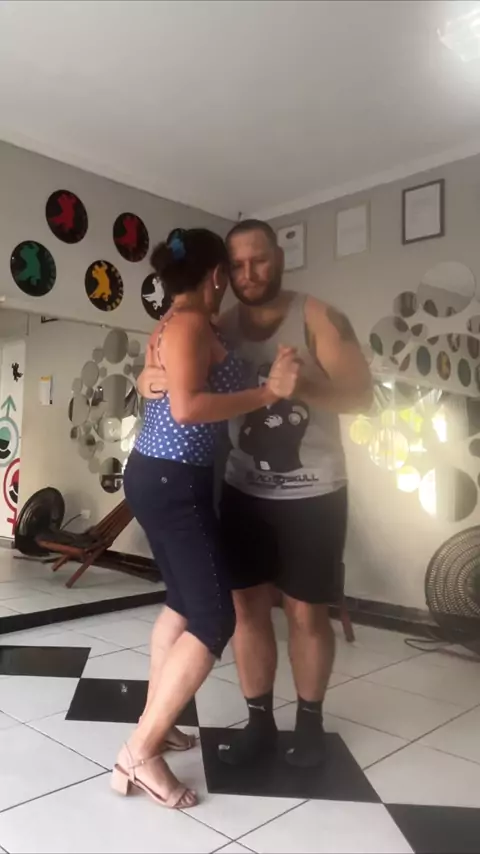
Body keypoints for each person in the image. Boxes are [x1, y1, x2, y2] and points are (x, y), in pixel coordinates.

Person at [112, 227, 300, 809]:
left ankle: (157, 721)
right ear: (216, 275)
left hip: (160, 475)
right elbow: (189, 406)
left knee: (181, 603)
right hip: (172, 479)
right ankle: (140, 752)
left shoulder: (175, 323)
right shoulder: (191, 324)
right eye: (230, 271)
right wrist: (269, 393)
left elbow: (168, 387)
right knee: (214, 616)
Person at [217, 219, 373, 768]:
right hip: (243, 489)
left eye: (258, 260)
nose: (249, 273)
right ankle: (259, 722)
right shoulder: (221, 327)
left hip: (315, 493)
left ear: (279, 258)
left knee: (307, 614)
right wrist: (150, 379)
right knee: (247, 610)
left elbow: (362, 396)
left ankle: (310, 723)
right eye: (237, 265)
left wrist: (301, 385)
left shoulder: (317, 316)